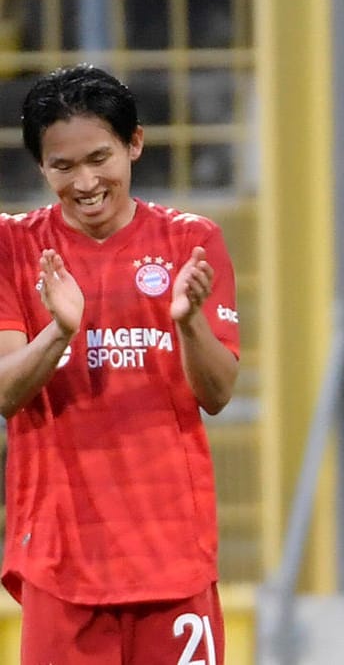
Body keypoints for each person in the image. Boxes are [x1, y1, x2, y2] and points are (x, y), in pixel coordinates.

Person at [0, 64, 240, 663]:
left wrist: (186, 321)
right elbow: (5, 392)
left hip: (172, 557)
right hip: (62, 561)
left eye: (99, 158)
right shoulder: (14, 247)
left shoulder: (192, 241)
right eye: (63, 166)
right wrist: (60, 331)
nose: (85, 181)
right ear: (41, 166)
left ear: (134, 144)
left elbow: (217, 392)